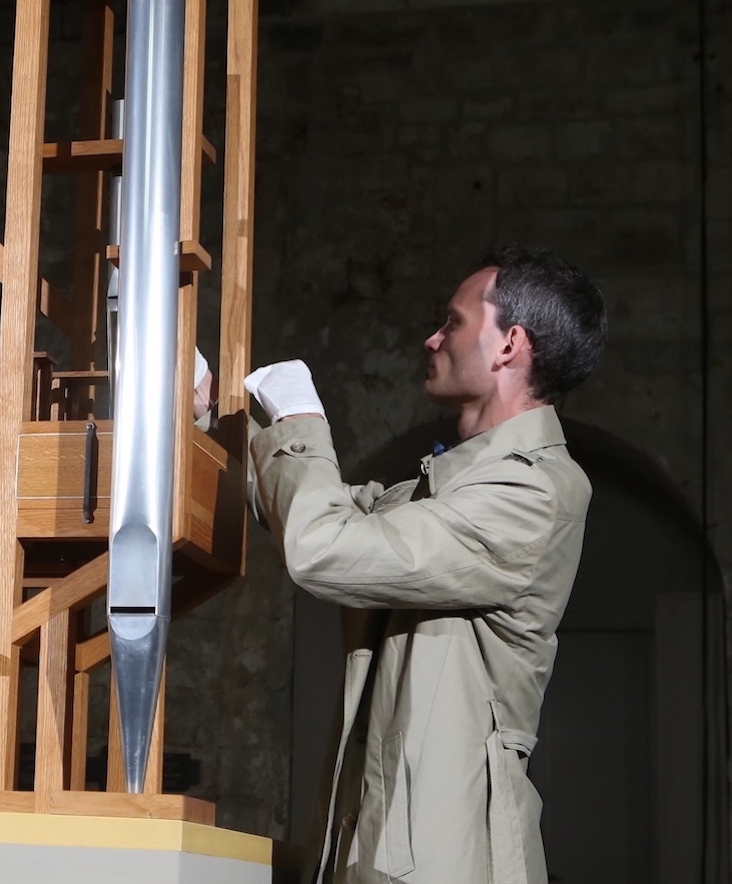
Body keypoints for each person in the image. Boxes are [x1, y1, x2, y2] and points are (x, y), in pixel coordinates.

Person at [244, 245, 607, 884]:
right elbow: (309, 512)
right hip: (379, 848)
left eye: (455, 322)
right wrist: (207, 421)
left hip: (448, 860)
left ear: (508, 345)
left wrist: (299, 416)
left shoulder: (535, 492)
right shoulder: (445, 489)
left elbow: (322, 546)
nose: (432, 337)